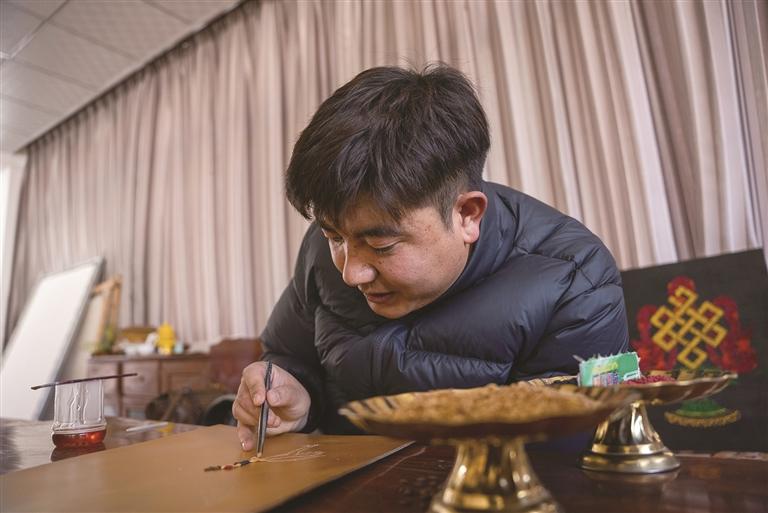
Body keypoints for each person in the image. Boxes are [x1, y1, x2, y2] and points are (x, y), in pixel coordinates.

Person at [233, 64, 629, 449]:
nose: (352, 273)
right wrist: (294, 396)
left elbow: (564, 458)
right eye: (335, 237)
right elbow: (289, 354)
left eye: (382, 246)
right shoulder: (327, 248)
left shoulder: (576, 284)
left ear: (466, 215)